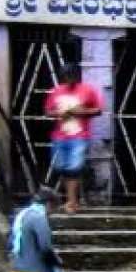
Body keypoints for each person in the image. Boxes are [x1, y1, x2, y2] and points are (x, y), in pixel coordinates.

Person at [44, 63, 103, 213]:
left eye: (70, 76)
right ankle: (69, 200)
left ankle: (72, 202)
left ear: (76, 76)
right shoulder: (56, 91)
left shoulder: (88, 90)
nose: (67, 80)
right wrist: (58, 113)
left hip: (79, 136)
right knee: (60, 167)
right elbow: (47, 111)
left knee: (73, 168)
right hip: (59, 135)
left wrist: (81, 111)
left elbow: (98, 110)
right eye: (64, 77)